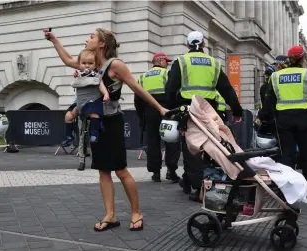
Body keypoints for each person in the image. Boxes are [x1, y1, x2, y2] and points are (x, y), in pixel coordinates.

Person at [44, 27, 168, 231]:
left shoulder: (114, 65)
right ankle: (110, 215)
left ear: (101, 43)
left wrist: (160, 108)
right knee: (103, 171)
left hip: (112, 122)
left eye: (91, 37)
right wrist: (54, 40)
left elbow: (137, 88)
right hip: (96, 123)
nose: (87, 39)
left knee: (120, 170)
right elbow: (67, 60)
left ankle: (136, 212)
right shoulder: (90, 62)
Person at [166, 31, 243, 202]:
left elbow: (171, 89)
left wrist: (171, 111)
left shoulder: (182, 61)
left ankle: (197, 187)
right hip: (209, 111)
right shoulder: (214, 63)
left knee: (192, 148)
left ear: (188, 45)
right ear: (203, 45)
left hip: (188, 111)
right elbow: (227, 89)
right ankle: (200, 180)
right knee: (210, 146)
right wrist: (237, 111)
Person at [258, 45, 307, 199]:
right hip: (306, 119)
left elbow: (269, 101)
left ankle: (287, 189)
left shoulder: (276, 76)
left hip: (284, 121)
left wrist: (263, 117)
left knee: (286, 155)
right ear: (303, 58)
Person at [134, 52, 181, 183]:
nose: (167, 64)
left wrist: (141, 114)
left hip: (149, 111)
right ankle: (171, 171)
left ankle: (155, 173)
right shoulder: (167, 74)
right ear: (160, 61)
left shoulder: (143, 76)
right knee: (171, 139)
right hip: (167, 110)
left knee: (153, 141)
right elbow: (174, 92)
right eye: (166, 61)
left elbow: (137, 98)